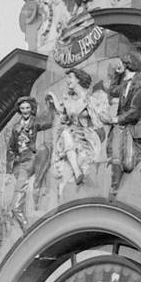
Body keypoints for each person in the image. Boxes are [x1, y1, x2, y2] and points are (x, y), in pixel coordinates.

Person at [46, 68, 105, 198]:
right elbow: (65, 119)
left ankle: (67, 181)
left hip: (87, 137)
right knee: (66, 133)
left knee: (81, 155)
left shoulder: (91, 100)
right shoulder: (68, 100)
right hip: (71, 137)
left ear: (78, 79)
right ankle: (77, 172)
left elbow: (98, 120)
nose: (67, 81)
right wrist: (55, 100)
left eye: (70, 78)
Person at [107, 52, 141, 200]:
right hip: (121, 126)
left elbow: (135, 111)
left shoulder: (140, 82)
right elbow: (112, 91)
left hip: (132, 126)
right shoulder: (125, 81)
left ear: (126, 64)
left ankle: (137, 151)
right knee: (116, 157)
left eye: (121, 64)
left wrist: (116, 119)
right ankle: (114, 188)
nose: (119, 66)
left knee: (128, 164)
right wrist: (117, 76)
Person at [6, 96, 52, 229]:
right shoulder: (15, 128)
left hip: (33, 157)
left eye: (27, 108)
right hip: (23, 163)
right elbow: (11, 149)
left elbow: (48, 122)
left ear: (31, 109)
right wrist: (9, 171)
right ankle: (25, 226)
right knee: (15, 206)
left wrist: (50, 106)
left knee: (44, 150)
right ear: (19, 110)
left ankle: (38, 187)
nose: (25, 111)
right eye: (22, 108)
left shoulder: (35, 122)